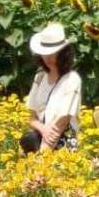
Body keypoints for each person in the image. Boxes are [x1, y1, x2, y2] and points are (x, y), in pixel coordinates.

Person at [23, 23, 82, 153]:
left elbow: (60, 124)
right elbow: (32, 118)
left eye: (52, 53)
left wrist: (42, 163)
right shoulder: (40, 76)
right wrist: (43, 129)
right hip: (39, 140)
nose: (47, 57)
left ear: (63, 52)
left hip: (62, 147)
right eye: (44, 53)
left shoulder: (72, 80)